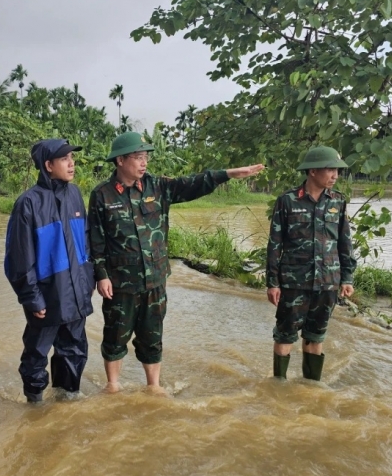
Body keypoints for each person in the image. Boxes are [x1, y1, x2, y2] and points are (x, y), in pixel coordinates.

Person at [88, 132, 265, 393]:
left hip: (155, 279)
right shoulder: (102, 195)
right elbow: (96, 239)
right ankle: (113, 386)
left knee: (152, 335)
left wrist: (227, 174)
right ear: (121, 161)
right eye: (138, 157)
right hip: (120, 282)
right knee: (115, 336)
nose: (143, 162)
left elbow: (193, 183)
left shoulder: (158, 186)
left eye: (145, 156)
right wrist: (101, 274)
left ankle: (153, 386)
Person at [4, 138, 95, 403]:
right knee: (36, 354)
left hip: (76, 293)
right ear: (48, 165)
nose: (72, 163)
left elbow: (84, 242)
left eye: (72, 158)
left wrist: (87, 279)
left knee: (74, 351)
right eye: (65, 159)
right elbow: (18, 258)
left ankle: (66, 405)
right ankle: (35, 408)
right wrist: (31, 297)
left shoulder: (75, 194)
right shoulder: (28, 203)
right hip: (47, 295)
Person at [266, 146, 356, 382]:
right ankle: (278, 387)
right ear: (313, 171)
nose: (335, 175)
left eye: (337, 170)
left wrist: (347, 278)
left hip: (327, 283)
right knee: (284, 336)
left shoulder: (338, 202)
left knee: (316, 338)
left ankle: (311, 388)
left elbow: (345, 243)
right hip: (294, 282)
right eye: (330, 169)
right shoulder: (287, 201)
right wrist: (272, 283)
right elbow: (275, 245)